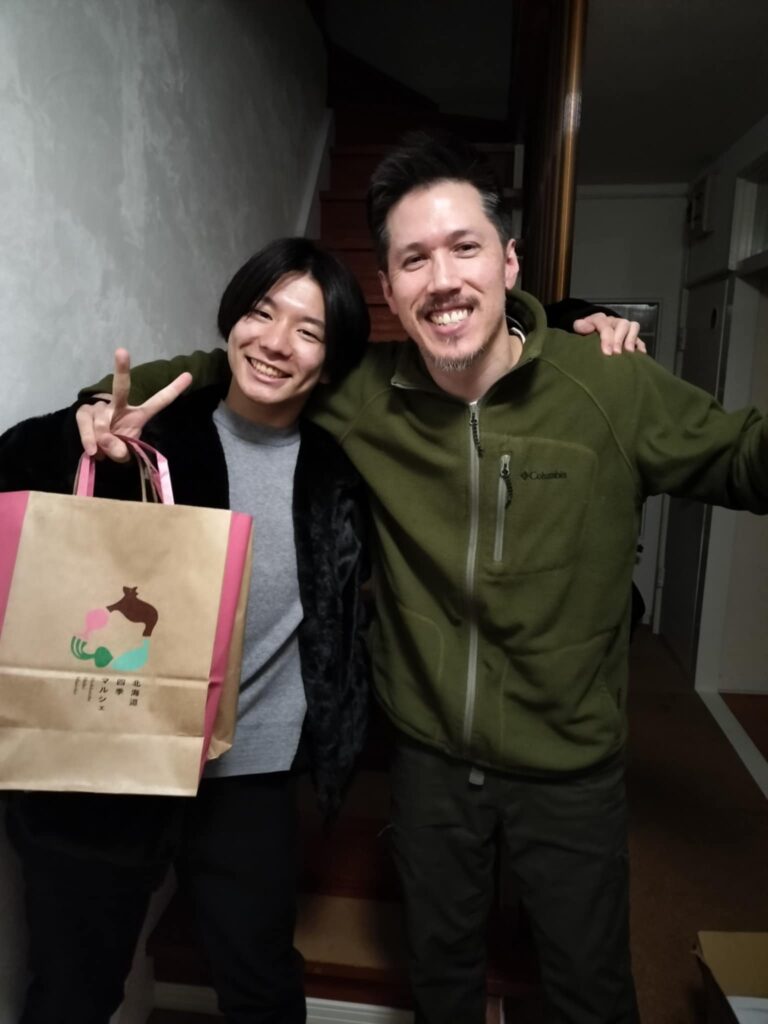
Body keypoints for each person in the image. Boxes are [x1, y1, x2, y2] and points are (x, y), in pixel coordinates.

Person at [73, 132, 766, 1024]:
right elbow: (231, 367)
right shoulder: (363, 393)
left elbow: (742, 458)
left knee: (590, 991)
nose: (441, 279)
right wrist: (104, 403)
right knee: (440, 980)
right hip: (429, 759)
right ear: (390, 288)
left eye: (464, 248)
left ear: (508, 261)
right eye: (413, 259)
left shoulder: (610, 386)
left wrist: (586, 321)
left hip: (570, 767)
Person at [0, 237, 372, 1024]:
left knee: (262, 989)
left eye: (308, 330)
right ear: (233, 319)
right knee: (73, 992)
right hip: (112, 754)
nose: (275, 341)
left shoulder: (338, 472)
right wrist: (75, 429)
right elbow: (15, 476)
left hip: (251, 768)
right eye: (262, 311)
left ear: (330, 363)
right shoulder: (155, 435)